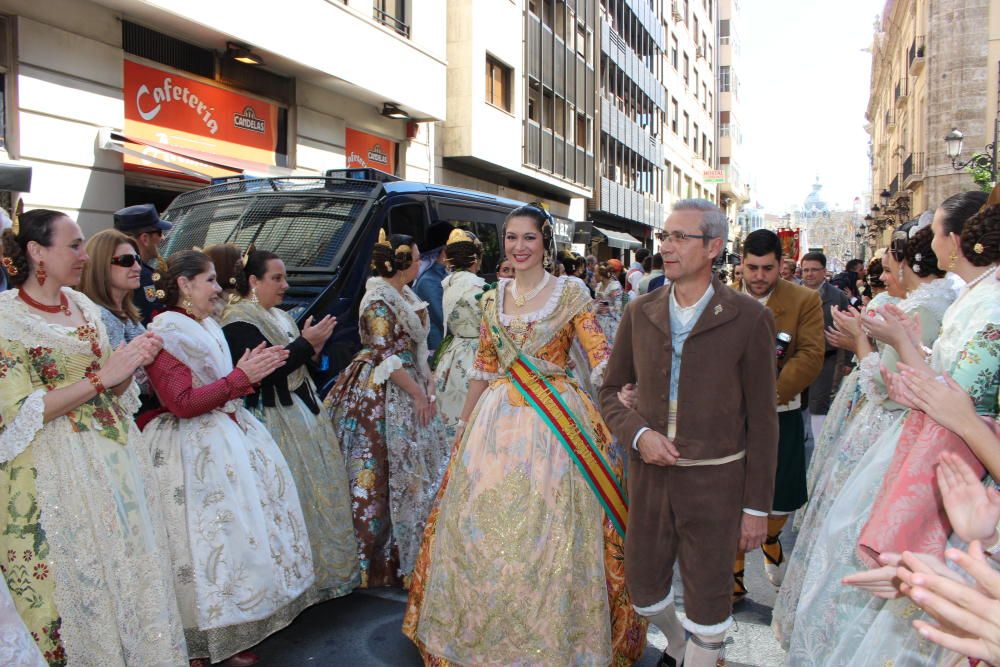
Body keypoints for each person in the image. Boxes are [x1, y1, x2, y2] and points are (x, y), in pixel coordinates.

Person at [403, 204, 646, 666]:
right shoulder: (492, 298)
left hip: (556, 426)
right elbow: (485, 367)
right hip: (495, 423)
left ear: (545, 243)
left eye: (528, 238)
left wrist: (617, 387)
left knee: (551, 530)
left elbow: (598, 351)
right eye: (511, 238)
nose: (518, 247)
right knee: (482, 527)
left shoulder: (571, 292)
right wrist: (464, 427)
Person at [779, 190, 996, 666]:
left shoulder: (980, 304)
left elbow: (932, 396)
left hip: (953, 465)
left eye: (936, 229)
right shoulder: (970, 301)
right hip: (940, 453)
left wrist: (877, 344)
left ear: (954, 241)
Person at [0, 209, 187, 665]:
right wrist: (105, 377)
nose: (86, 255)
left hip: (116, 461)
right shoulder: (5, 318)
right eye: (75, 245)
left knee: (130, 567)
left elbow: (117, 388)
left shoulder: (82, 306)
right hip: (50, 469)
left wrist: (132, 362)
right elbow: (17, 413)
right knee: (77, 581)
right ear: (37, 251)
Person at [600, 199, 779, 667]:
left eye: (681, 237)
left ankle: (700, 652)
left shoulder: (748, 317)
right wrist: (639, 434)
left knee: (708, 602)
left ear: (714, 246)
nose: (667, 247)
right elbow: (610, 391)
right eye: (665, 236)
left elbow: (763, 420)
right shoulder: (639, 310)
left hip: (716, 483)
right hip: (650, 478)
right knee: (644, 592)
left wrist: (756, 507)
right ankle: (677, 644)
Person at [141, 250, 314, 666]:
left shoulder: (202, 324)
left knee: (233, 544)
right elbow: (181, 403)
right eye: (210, 281)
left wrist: (243, 376)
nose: (219, 289)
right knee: (199, 547)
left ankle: (229, 635)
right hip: (191, 450)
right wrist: (240, 378)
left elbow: (218, 383)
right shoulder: (167, 331)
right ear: (183, 285)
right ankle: (196, 642)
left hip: (226, 434)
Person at [214, 247, 361, 601]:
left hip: (301, 412)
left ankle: (327, 573)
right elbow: (263, 373)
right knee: (288, 500)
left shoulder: (278, 316)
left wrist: (312, 347)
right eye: (276, 278)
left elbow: (297, 364)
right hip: (272, 421)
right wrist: (304, 345)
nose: (285, 285)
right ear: (253, 281)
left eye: (284, 277)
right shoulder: (237, 321)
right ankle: (293, 585)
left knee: (318, 495)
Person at [326, 231, 449, 588]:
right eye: (413, 257)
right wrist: (417, 394)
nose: (419, 263)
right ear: (401, 264)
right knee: (382, 471)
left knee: (416, 472)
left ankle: (415, 548)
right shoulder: (378, 300)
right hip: (383, 390)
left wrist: (426, 384)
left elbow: (416, 349)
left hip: (411, 382)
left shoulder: (404, 294)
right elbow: (385, 355)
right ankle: (381, 558)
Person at [735, 229, 824, 593]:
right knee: (729, 495)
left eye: (767, 268)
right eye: (752, 267)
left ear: (781, 265)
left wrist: (767, 396)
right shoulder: (718, 298)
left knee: (781, 494)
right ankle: (734, 576)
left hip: (780, 410)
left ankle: (771, 539)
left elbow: (810, 355)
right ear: (740, 263)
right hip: (726, 416)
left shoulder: (803, 300)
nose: (758, 276)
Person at [433, 229, 485, 442]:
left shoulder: (449, 284)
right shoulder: (479, 287)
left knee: (448, 407)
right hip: (476, 352)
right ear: (475, 258)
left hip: (453, 351)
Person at [799, 251, 850, 438]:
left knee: (819, 405)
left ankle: (817, 451)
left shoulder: (837, 297)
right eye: (805, 270)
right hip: (795, 359)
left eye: (814, 270)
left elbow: (848, 330)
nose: (809, 274)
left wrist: (847, 362)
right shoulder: (791, 293)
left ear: (824, 272)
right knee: (794, 403)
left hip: (825, 359)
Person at [113, 203, 172, 325]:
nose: (163, 238)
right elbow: (154, 322)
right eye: (159, 232)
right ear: (145, 238)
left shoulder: (112, 271)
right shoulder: (143, 276)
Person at [413, 221, 454, 353]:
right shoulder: (429, 280)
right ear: (445, 250)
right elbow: (443, 319)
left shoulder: (443, 274)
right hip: (436, 349)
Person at [594, 261, 624, 344]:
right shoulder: (598, 286)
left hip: (611, 325)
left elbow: (619, 309)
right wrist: (596, 308)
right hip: (598, 322)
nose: (594, 274)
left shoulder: (615, 287)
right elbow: (595, 303)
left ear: (602, 275)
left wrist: (607, 309)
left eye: (596, 272)